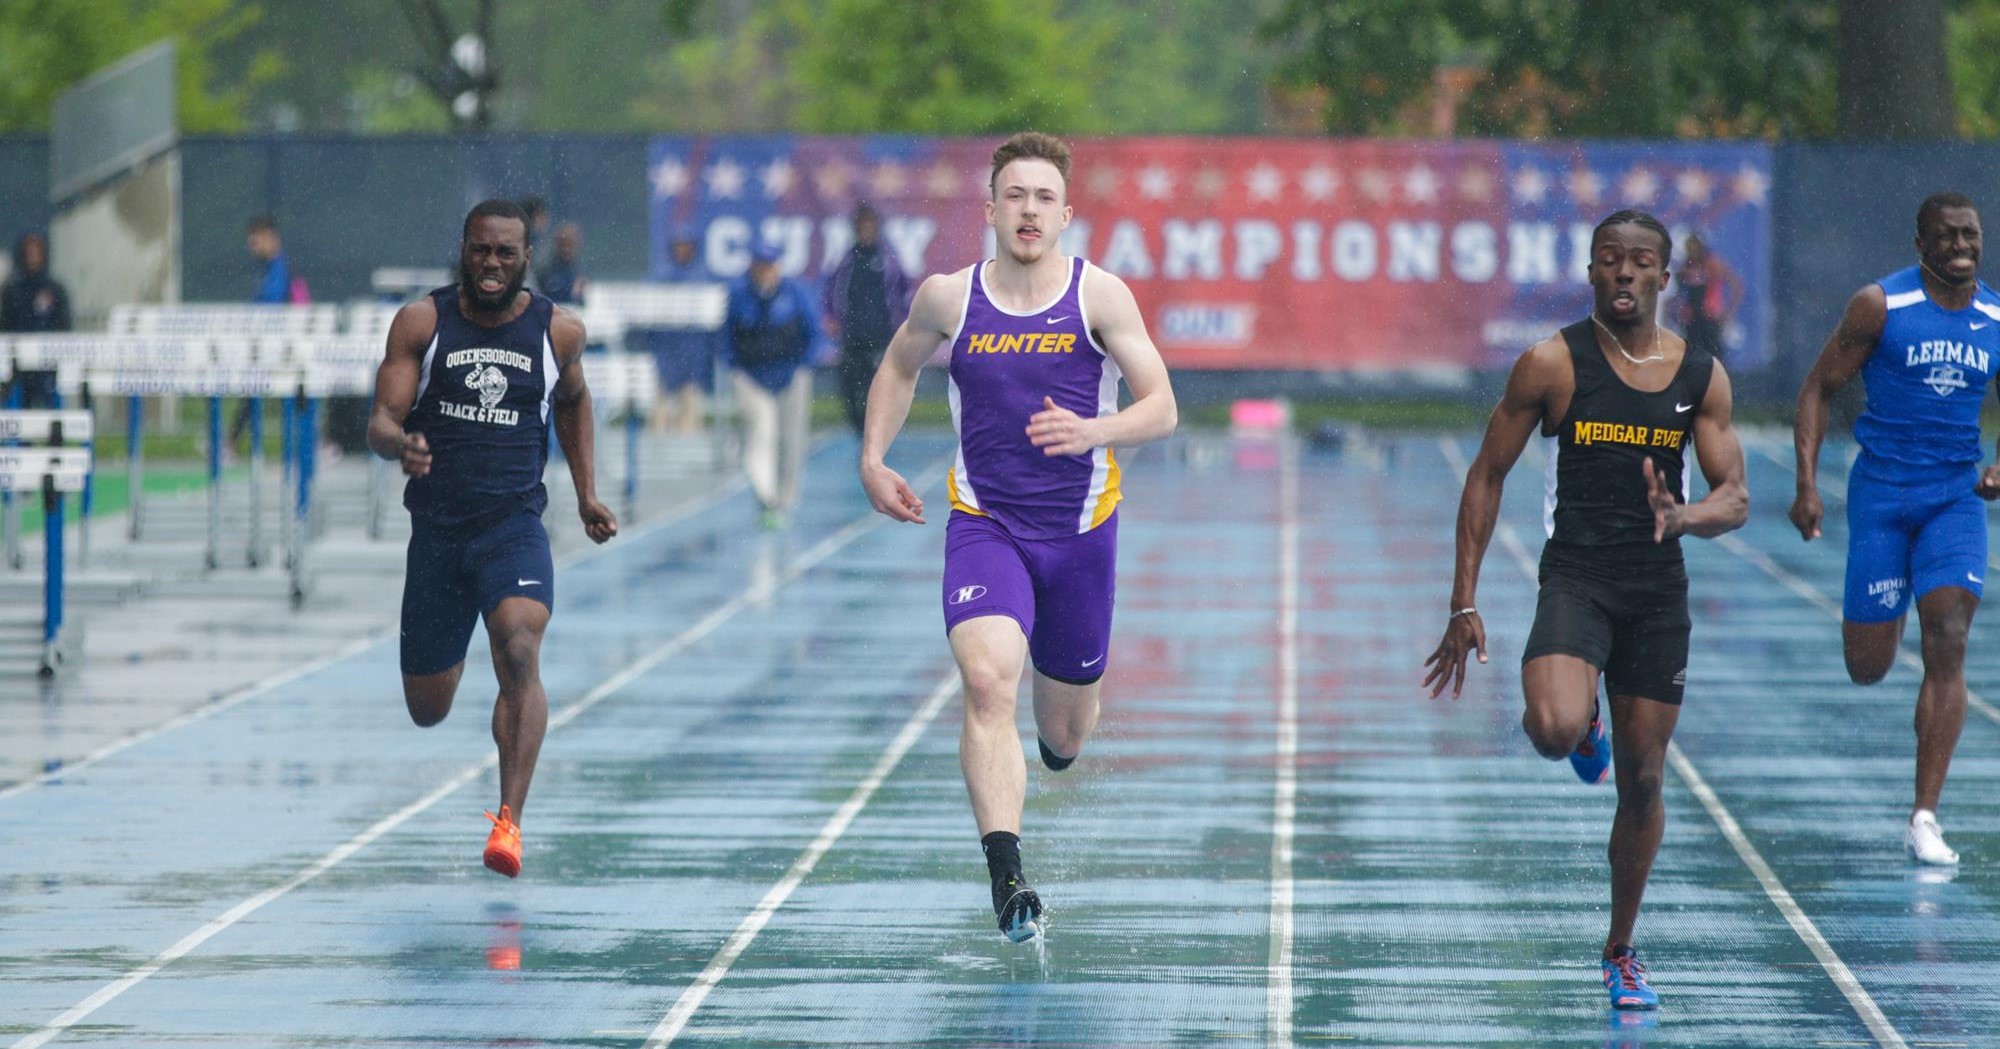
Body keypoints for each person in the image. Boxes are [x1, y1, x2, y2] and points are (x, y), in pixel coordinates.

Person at [858, 131, 1179, 942]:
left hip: (1079, 534)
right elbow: (899, 365)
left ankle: (1058, 739)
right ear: (991, 209)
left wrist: (1095, 431)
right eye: (1015, 196)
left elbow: (1162, 407)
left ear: (1066, 213)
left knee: (1064, 736)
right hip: (984, 523)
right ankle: (1008, 879)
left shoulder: (1100, 296)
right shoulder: (949, 298)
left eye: (1044, 198)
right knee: (987, 682)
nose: (1028, 211)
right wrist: (872, 458)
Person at [1423, 210, 1747, 1010]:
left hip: (1656, 590)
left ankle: (1621, 948)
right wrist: (1463, 600)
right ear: (1593, 272)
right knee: (1552, 730)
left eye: (1642, 262)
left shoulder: (1699, 374)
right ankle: (1587, 721)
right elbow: (1486, 474)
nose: (1626, 274)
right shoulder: (1551, 363)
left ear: (1665, 278)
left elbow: (1734, 496)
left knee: (1643, 780)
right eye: (1611, 260)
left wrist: (1685, 517)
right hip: (1576, 578)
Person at [366, 199, 618, 878]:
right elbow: (380, 420)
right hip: (439, 536)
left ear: (527, 257)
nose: (491, 264)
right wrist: (402, 444)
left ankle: (509, 822)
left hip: (512, 528)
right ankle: (463, 657)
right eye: (481, 250)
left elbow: (573, 399)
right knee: (428, 707)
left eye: (506, 253)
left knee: (519, 643)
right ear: (464, 247)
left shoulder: (557, 331)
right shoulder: (423, 322)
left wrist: (586, 492)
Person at [1790, 191, 2000, 867]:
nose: (1961, 246)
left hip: (1954, 499)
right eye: (1946, 236)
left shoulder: (1996, 317)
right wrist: (1805, 484)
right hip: (1882, 497)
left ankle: (1924, 816)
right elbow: (1819, 387)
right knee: (1868, 665)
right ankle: (1895, 600)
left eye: (1970, 235)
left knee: (1950, 636)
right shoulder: (1880, 306)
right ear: (1920, 245)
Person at [723, 240, 821, 529]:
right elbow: (727, 335)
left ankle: (784, 501)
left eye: (770, 265)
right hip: (752, 377)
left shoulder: (795, 293)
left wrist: (804, 366)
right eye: (760, 265)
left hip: (791, 374)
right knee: (760, 435)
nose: (765, 271)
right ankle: (765, 497)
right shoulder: (740, 296)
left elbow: (813, 333)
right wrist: (736, 370)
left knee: (792, 440)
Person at [823, 203, 911, 435]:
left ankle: (879, 430)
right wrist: (831, 317)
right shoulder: (846, 260)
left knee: (881, 386)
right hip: (852, 336)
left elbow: (903, 292)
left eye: (870, 226)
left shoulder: (889, 259)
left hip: (882, 336)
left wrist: (902, 323)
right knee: (850, 387)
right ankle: (860, 429)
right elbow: (831, 290)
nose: (867, 231)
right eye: (862, 226)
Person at [647, 228, 714, 434]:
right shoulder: (660, 275)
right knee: (659, 409)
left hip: (693, 352)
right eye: (679, 246)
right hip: (665, 351)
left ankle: (688, 458)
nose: (683, 250)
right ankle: (654, 455)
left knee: (690, 410)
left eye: (687, 246)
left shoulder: (701, 276)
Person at [0, 230, 71, 408]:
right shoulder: (12, 289)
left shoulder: (54, 289)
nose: (33, 256)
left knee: (51, 395)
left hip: (47, 365)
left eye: (37, 251)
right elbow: (6, 323)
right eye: (29, 251)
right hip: (17, 365)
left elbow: (63, 325)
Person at [1673, 233, 1741, 359]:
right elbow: (1679, 292)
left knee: (1713, 356)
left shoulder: (1713, 264)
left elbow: (1736, 287)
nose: (1692, 251)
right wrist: (1680, 309)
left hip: (1710, 316)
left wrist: (1728, 313)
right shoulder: (1686, 266)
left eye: (1694, 247)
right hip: (1692, 319)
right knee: (1692, 356)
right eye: (1689, 247)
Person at [536, 221, 587, 305]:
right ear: (556, 244)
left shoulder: (580, 272)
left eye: (570, 245)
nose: (566, 249)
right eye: (563, 244)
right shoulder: (544, 270)